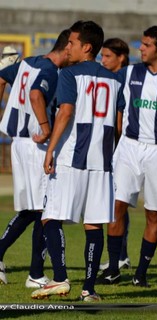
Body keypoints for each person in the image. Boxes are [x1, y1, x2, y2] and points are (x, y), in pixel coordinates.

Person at [30, 20, 124, 302]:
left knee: (49, 216)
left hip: (72, 157)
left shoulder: (69, 74)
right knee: (94, 224)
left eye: (71, 42)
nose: (67, 47)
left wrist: (50, 149)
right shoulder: (115, 79)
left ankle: (59, 278)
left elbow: (66, 111)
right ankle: (89, 289)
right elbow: (119, 123)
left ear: (87, 47)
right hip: (102, 161)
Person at [97, 26, 157, 287]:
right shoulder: (129, 73)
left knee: (154, 214)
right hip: (129, 148)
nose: (140, 49)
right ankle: (113, 268)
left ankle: (141, 273)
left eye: (146, 45)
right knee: (116, 207)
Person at [0, 30, 70, 288]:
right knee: (46, 210)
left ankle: (27, 267)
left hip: (20, 142)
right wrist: (46, 127)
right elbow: (35, 95)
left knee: (33, 208)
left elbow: (2, 75)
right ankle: (36, 274)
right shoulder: (50, 70)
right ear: (67, 47)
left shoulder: (29, 62)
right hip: (35, 144)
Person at [99, 37, 131, 271]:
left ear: (121, 57)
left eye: (108, 56)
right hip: (119, 143)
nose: (103, 60)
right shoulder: (112, 77)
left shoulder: (126, 77)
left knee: (118, 203)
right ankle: (122, 254)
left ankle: (118, 257)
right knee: (120, 203)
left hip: (124, 145)